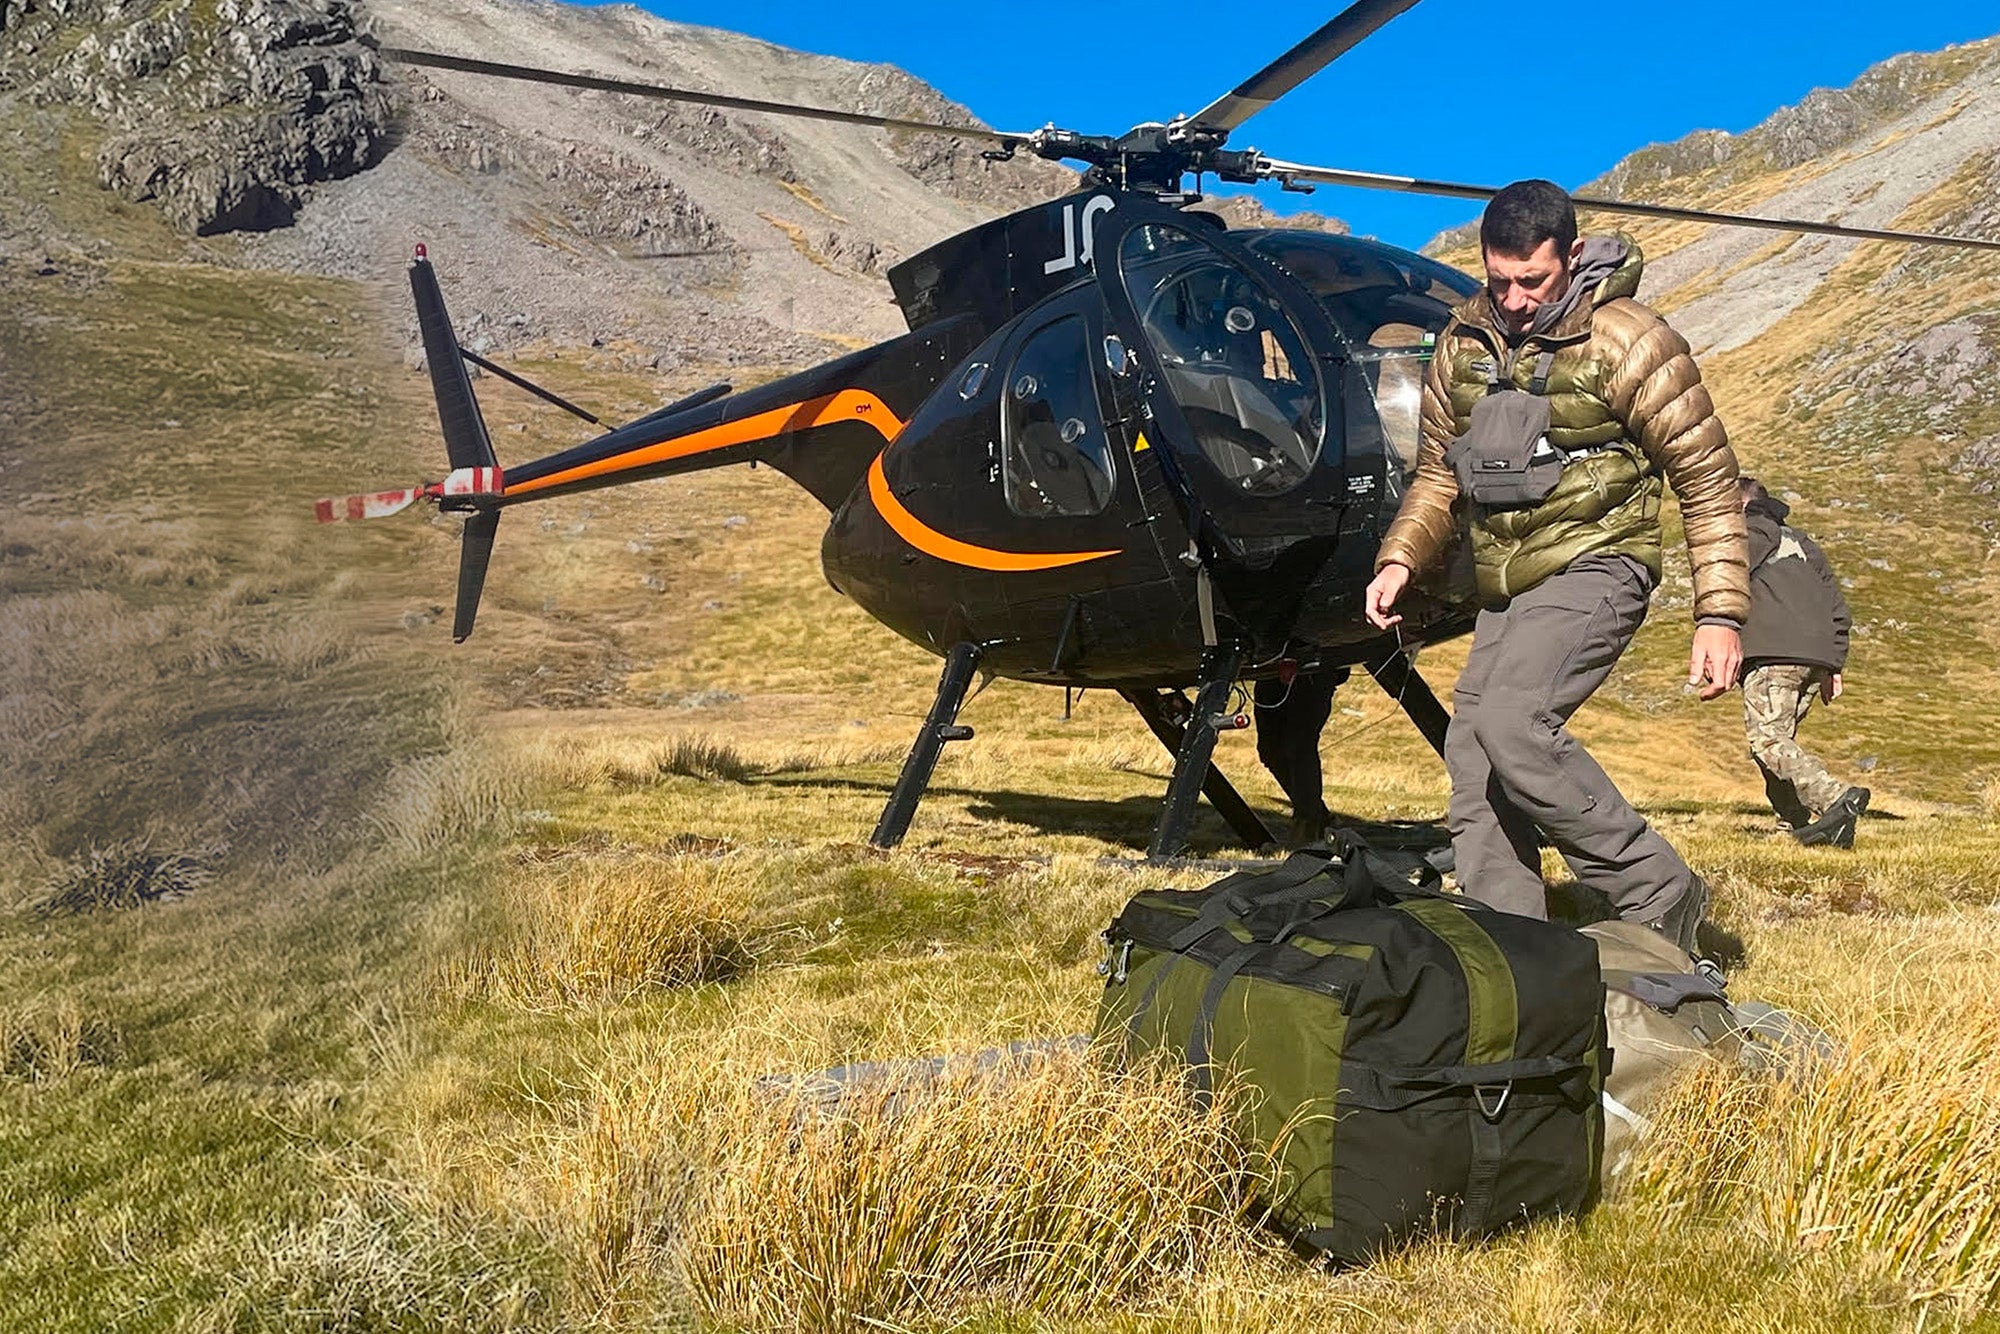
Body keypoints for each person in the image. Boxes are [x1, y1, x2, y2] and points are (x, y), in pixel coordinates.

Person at [1362, 180, 1748, 953]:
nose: (1512, 298)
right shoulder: (1463, 342)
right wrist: (1399, 557)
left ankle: (1656, 890)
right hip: (1507, 582)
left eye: (1532, 280)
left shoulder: (1629, 340)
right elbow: (1439, 471)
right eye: (1497, 279)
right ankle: (1513, 949)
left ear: (1571, 256)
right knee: (1473, 755)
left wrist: (1721, 615)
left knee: (1513, 723)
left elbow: (1706, 478)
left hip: (1599, 560)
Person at [1737, 476, 1869, 846]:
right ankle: (1795, 823)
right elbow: (1837, 606)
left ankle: (1834, 798)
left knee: (1767, 740)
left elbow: (1728, 583)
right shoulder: (1803, 542)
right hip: (1816, 656)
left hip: (1774, 653)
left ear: (1740, 506)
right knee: (1779, 741)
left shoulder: (1746, 533)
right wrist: (1834, 664)